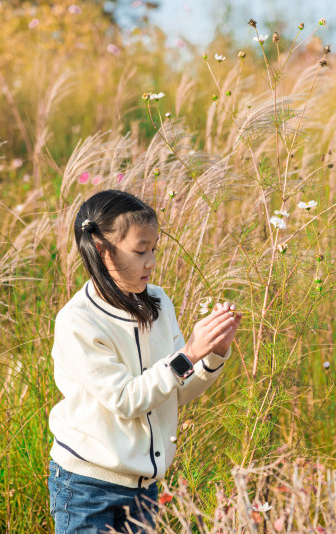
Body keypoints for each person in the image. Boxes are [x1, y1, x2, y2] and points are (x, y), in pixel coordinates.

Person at [48, 189, 242, 534]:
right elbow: (126, 400)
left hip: (143, 489)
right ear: (102, 251)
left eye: (154, 249)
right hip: (86, 486)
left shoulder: (158, 302)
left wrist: (214, 353)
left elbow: (175, 390)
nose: (150, 261)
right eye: (140, 251)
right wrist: (189, 354)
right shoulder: (78, 321)